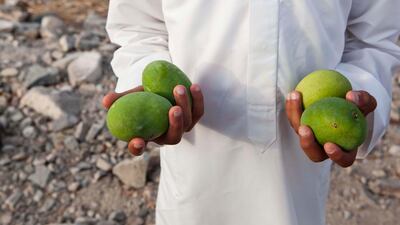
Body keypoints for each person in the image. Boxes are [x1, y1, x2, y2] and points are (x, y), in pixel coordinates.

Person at [103, 1, 400, 224]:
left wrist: (356, 101)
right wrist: (151, 92)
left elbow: (373, 39)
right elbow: (138, 27)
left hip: (297, 184)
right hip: (193, 178)